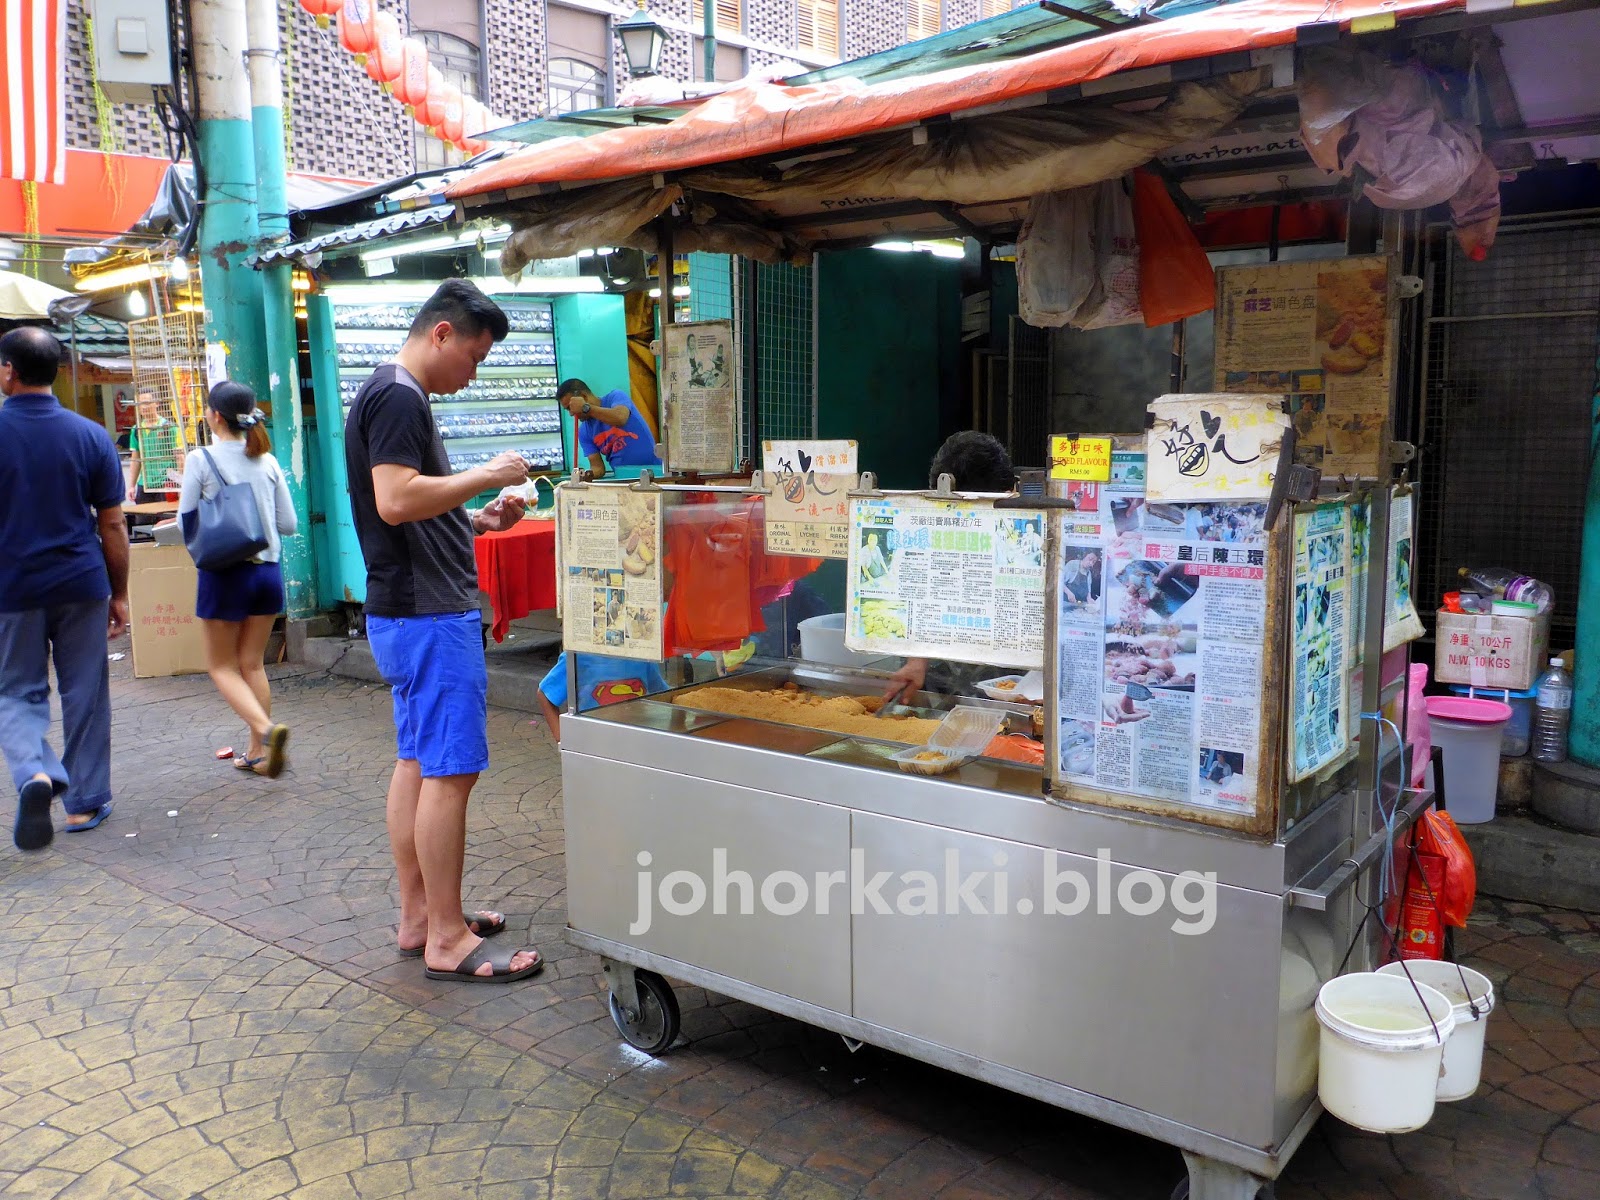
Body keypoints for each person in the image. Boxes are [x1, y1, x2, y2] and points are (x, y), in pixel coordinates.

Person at [345, 279, 543, 985]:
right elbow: (394, 500)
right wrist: (486, 472)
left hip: (403, 608)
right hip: (429, 614)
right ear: (442, 334)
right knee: (450, 773)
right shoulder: (399, 395)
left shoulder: (387, 390)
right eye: (477, 356)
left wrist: (479, 517)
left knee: (418, 763)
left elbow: (405, 503)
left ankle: (421, 918)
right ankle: (448, 938)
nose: (476, 372)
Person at [0, 328, 127, 850]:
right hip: (81, 581)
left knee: (17, 690)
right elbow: (113, 526)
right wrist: (119, 592)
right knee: (86, 691)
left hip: (11, 588)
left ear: (8, 369)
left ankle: (33, 772)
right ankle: (85, 803)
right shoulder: (91, 435)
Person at [177, 382, 296, 778]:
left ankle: (266, 730)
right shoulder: (269, 461)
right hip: (268, 573)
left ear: (214, 415)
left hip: (226, 574)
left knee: (222, 667)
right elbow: (288, 525)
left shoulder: (200, 459)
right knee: (252, 664)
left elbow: (185, 522)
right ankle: (257, 754)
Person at [884, 432, 1016, 704]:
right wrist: (916, 660)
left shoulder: (1023, 534)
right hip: (935, 686)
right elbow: (917, 599)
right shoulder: (920, 530)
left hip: (1009, 693)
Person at [537, 654, 670, 743]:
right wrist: (563, 740)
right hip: (594, 742)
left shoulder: (642, 656)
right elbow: (545, 694)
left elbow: (662, 694)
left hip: (635, 740)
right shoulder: (579, 655)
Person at [556, 378, 660, 479]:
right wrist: (585, 475)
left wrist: (585, 408)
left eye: (571, 407)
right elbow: (598, 467)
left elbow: (620, 418)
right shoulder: (584, 432)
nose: (571, 413)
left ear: (584, 396)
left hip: (654, 474)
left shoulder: (616, 397)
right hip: (623, 478)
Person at [128, 390, 186, 502]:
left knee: (166, 518)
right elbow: (135, 459)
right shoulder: (136, 430)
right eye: (140, 404)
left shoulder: (170, 427)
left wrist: (181, 486)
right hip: (144, 485)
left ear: (157, 403)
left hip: (167, 484)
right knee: (143, 519)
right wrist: (131, 486)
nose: (143, 407)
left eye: (147, 403)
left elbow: (180, 458)